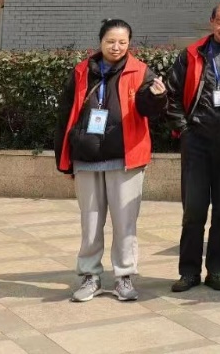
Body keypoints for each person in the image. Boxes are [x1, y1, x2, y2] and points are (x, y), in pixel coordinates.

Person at [55, 20, 167, 303]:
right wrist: (64, 159)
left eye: (122, 42)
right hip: (87, 156)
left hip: (125, 158)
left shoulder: (140, 71)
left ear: (129, 44)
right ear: (100, 41)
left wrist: (158, 97)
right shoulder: (81, 71)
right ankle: (90, 276)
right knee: (90, 223)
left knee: (125, 223)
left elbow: (148, 109)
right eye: (110, 41)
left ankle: (124, 276)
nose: (116, 47)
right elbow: (65, 115)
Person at [166, 4, 220, 292]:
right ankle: (189, 271)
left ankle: (217, 270)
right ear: (211, 22)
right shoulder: (192, 54)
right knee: (193, 211)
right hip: (197, 141)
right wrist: (184, 130)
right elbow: (171, 93)